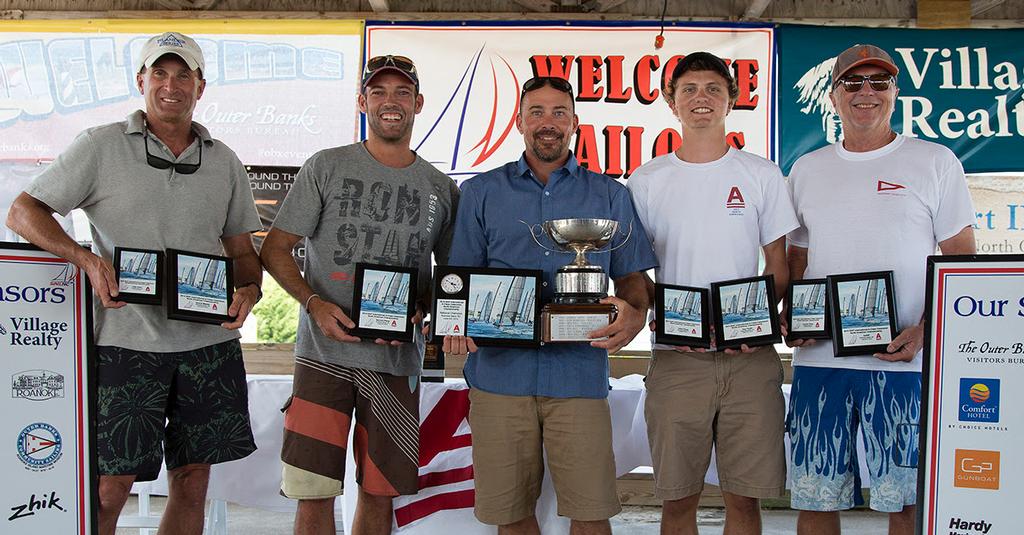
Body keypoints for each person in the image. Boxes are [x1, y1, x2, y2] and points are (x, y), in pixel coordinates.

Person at [6, 32, 262, 535]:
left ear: (200, 86)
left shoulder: (224, 159)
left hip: (207, 344)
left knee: (192, 479)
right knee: (108, 486)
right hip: (124, 342)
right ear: (141, 80)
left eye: (183, 75)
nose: (171, 86)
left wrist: (250, 289)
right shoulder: (99, 146)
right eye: (160, 74)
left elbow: (241, 252)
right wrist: (85, 260)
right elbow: (23, 212)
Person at [444, 76, 658, 535]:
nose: (548, 122)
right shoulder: (482, 193)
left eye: (559, 112)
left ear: (574, 123)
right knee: (511, 515)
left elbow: (634, 279)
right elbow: (459, 278)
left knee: (590, 513)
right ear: (519, 120)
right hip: (500, 378)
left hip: (578, 377)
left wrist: (634, 315)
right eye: (536, 111)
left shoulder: (610, 195)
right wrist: (455, 318)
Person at [259, 55, 459, 535]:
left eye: (402, 93)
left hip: (394, 365)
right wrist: (315, 304)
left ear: (419, 103)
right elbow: (275, 249)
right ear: (362, 101)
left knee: (380, 493)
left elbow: (449, 280)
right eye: (379, 91)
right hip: (322, 357)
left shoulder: (441, 188)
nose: (391, 102)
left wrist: (423, 310)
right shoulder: (326, 166)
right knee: (313, 492)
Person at [785, 44, 976, 535]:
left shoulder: (934, 161)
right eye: (853, 83)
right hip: (819, 363)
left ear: (895, 93)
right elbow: (799, 258)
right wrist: (792, 315)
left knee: (907, 503)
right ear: (834, 96)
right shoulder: (806, 169)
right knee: (815, 500)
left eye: (878, 83)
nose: (866, 92)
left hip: (904, 364)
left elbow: (961, 259)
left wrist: (929, 330)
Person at [626, 51, 797, 535]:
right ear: (670, 101)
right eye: (689, 90)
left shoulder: (762, 174)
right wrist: (666, 310)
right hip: (678, 358)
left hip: (750, 358)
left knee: (745, 503)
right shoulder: (646, 180)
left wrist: (753, 319)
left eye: (713, 90)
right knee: (678, 504)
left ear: (732, 99)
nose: (702, 99)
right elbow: (635, 273)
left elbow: (779, 268)